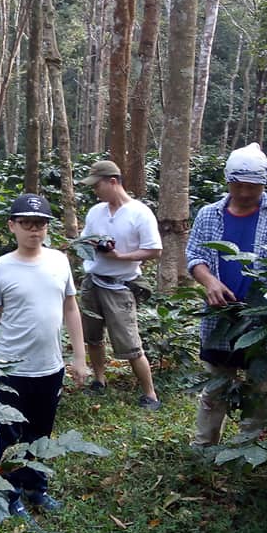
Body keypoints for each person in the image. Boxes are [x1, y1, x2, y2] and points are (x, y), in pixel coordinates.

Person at [186, 142, 267, 447]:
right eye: (238, 185)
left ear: (264, 184)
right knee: (214, 388)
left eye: (253, 187)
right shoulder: (209, 215)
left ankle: (249, 448)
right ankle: (204, 447)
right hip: (220, 320)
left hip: (263, 325)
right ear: (227, 181)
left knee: (258, 389)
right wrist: (209, 282)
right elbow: (194, 255)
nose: (245, 193)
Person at [0, 194, 91, 520]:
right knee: (7, 436)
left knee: (40, 434)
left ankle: (35, 488)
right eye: (26, 223)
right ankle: (9, 494)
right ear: (12, 226)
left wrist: (80, 357)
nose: (34, 230)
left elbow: (71, 308)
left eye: (40, 224)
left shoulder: (59, 261)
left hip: (49, 367)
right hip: (9, 370)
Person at [76, 161, 162, 409]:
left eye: (98, 185)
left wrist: (120, 257)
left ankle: (150, 394)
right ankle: (99, 380)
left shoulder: (140, 213)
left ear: (113, 182)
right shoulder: (96, 212)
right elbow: (86, 240)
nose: (95, 191)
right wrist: (96, 245)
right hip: (94, 281)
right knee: (93, 337)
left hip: (120, 285)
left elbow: (154, 250)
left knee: (131, 344)